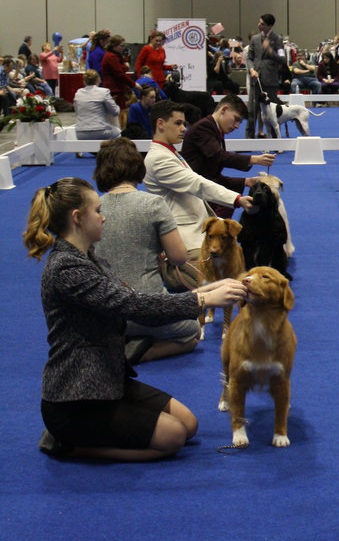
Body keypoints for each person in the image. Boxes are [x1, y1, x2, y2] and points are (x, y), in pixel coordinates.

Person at [25, 176, 245, 461]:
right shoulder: (67, 268)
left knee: (188, 425)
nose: (104, 218)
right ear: (78, 218)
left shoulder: (89, 257)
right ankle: (67, 443)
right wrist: (203, 300)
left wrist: (208, 288)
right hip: (75, 398)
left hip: (109, 380)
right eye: (98, 211)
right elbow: (132, 305)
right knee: (174, 438)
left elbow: (137, 300)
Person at [93, 138, 201, 359]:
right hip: (145, 307)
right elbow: (179, 257)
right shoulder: (154, 203)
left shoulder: (93, 208)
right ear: (137, 167)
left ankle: (120, 342)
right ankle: (134, 354)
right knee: (192, 332)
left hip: (104, 310)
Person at [143, 100, 251, 288]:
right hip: (184, 239)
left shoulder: (171, 153)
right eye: (177, 123)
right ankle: (169, 271)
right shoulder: (159, 159)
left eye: (183, 123)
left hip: (197, 231)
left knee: (235, 271)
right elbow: (197, 184)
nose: (183, 128)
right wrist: (237, 198)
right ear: (160, 124)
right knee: (216, 284)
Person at [181, 94, 275, 197]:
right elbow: (219, 157)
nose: (237, 126)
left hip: (202, 187)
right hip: (194, 193)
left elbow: (214, 175)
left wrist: (246, 181)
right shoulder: (204, 127)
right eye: (236, 119)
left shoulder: (214, 129)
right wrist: (254, 159)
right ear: (224, 109)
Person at [246, 13, 285, 137]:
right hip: (255, 79)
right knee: (252, 110)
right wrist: (251, 69)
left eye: (262, 23)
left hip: (270, 80)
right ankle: (248, 140)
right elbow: (249, 58)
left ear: (270, 26)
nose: (259, 25)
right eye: (259, 22)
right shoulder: (254, 39)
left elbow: (282, 59)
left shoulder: (277, 39)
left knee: (272, 113)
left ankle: (275, 141)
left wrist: (269, 51)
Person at [73, 68, 121, 140]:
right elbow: (115, 112)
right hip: (101, 131)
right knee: (118, 133)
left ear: (84, 81)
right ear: (98, 79)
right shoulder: (104, 92)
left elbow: (77, 113)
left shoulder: (78, 93)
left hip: (80, 133)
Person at [101, 34, 136, 129]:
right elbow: (119, 73)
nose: (123, 48)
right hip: (114, 89)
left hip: (118, 88)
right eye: (121, 45)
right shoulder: (111, 57)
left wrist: (125, 67)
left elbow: (121, 68)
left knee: (121, 112)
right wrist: (134, 85)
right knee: (118, 114)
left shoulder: (115, 55)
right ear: (114, 45)